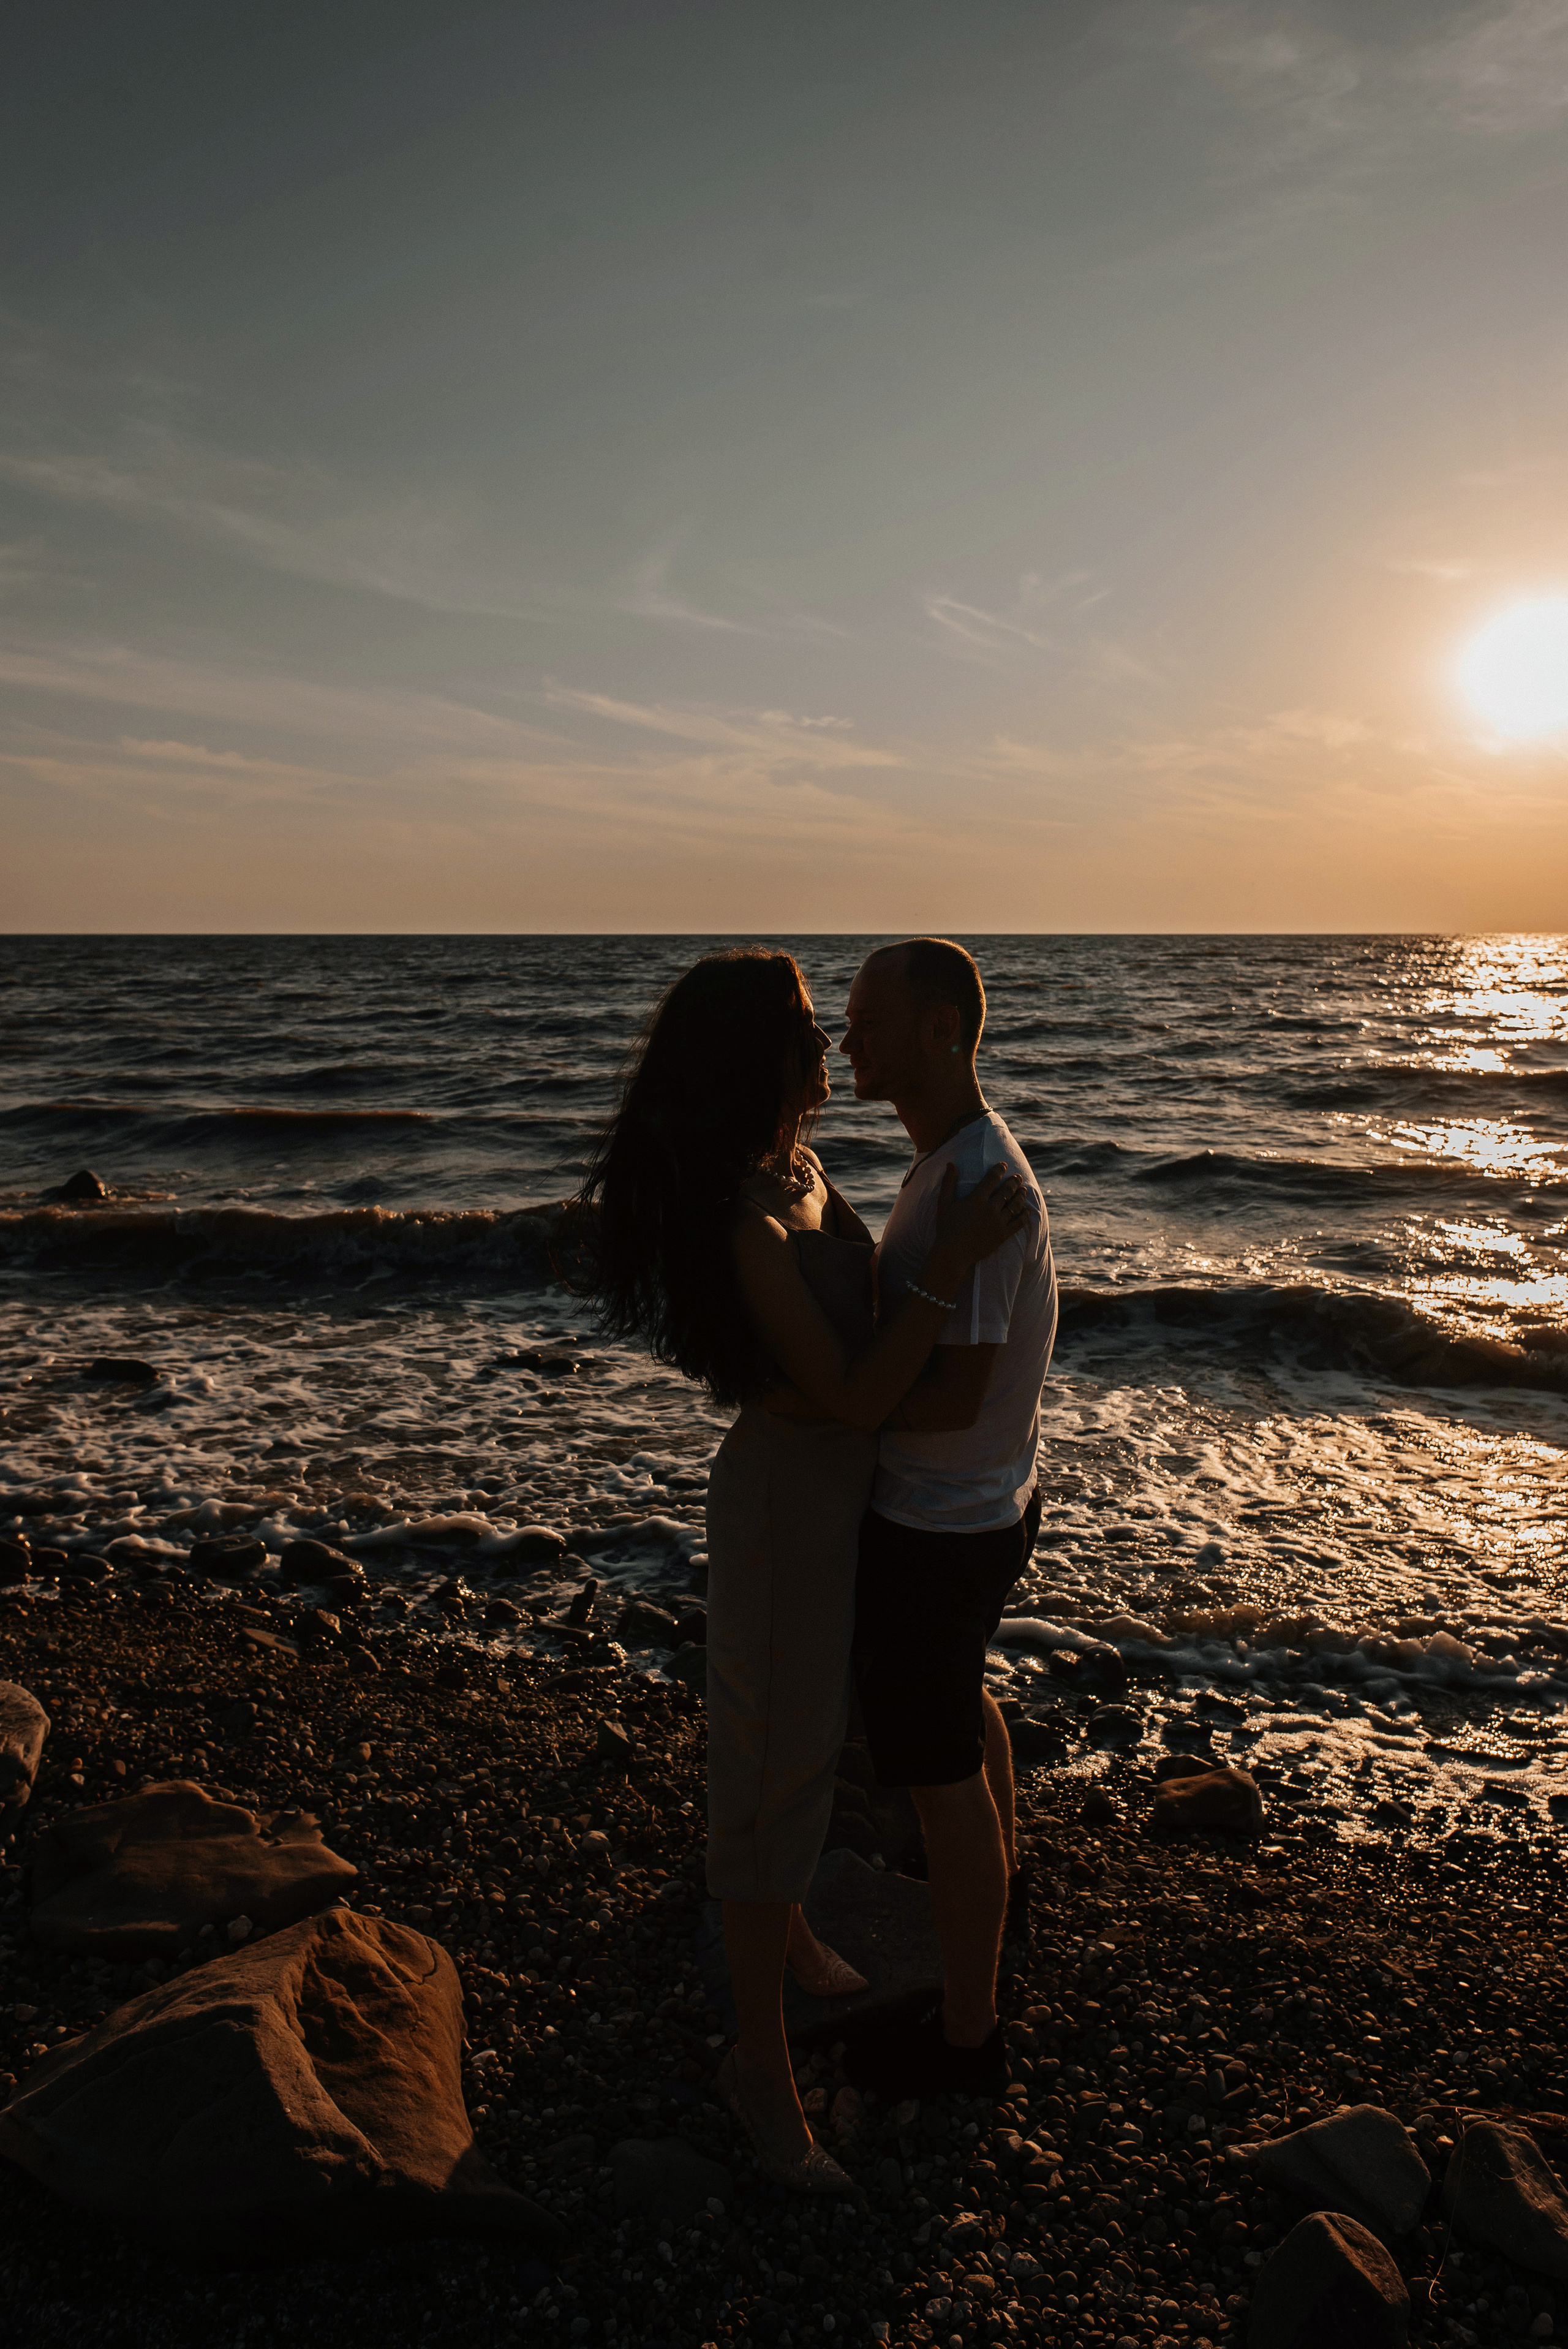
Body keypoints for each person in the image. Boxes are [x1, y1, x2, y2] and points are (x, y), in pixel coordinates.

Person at [577, 947, 1028, 2190]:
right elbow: (851, 1395)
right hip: (791, 1501)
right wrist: (949, 1269)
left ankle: (796, 1936)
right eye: (808, 1029)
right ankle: (761, 2077)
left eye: (845, 1025)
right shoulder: (749, 1217)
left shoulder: (797, 1167)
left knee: (817, 1736)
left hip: (850, 1502)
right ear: (753, 1058)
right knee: (769, 1776)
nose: (833, 1046)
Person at [837, 937, 1058, 2098]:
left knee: (933, 1771)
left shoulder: (973, 1182)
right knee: (957, 1708)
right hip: (981, 1506)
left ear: (939, 1029)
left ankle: (968, 2040)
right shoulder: (952, 1166)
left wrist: (836, 1411)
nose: (846, 1040)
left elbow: (956, 1392)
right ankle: (997, 1916)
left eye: (869, 1020)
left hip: (943, 1520)